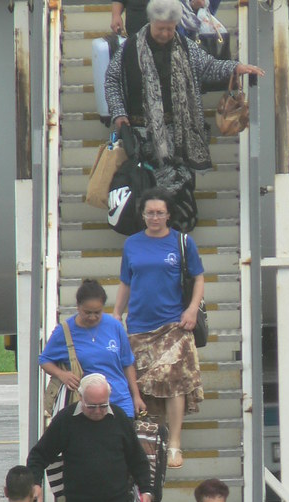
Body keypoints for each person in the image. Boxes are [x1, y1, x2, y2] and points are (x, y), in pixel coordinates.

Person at [105, 0, 264, 212]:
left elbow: (208, 67)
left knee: (177, 191)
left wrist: (236, 67)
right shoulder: (129, 47)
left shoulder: (185, 45)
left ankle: (174, 229)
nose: (166, 34)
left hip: (179, 132)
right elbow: (112, 81)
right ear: (151, 22)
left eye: (170, 29)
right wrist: (118, 113)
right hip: (141, 134)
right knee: (148, 189)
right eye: (161, 28)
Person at [114, 189, 204, 468]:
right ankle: (154, 442)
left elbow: (198, 277)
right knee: (147, 389)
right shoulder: (132, 244)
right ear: (142, 214)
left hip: (173, 324)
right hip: (139, 326)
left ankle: (175, 443)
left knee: (174, 381)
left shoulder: (182, 242)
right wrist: (116, 313)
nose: (155, 217)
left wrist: (191, 309)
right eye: (150, 212)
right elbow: (126, 282)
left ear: (168, 214)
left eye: (160, 212)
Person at [27, 373, 152, 502]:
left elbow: (137, 458)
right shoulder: (66, 420)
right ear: (81, 398)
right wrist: (35, 483)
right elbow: (39, 455)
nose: (98, 411)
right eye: (91, 406)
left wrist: (147, 489)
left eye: (103, 405)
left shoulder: (118, 417)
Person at [39, 278, 145, 420]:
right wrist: (62, 375)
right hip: (88, 407)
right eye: (87, 312)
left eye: (97, 312)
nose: (93, 317)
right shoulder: (64, 331)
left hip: (120, 401)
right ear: (78, 307)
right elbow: (44, 359)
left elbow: (127, 363)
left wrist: (136, 396)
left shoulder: (115, 326)